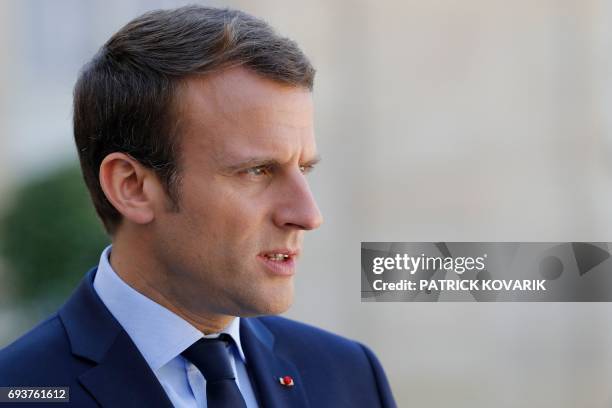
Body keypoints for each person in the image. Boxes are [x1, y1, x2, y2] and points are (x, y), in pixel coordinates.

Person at [0, 6, 396, 407]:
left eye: (304, 169)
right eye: (258, 171)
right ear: (132, 186)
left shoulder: (349, 375)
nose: (308, 215)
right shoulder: (19, 392)